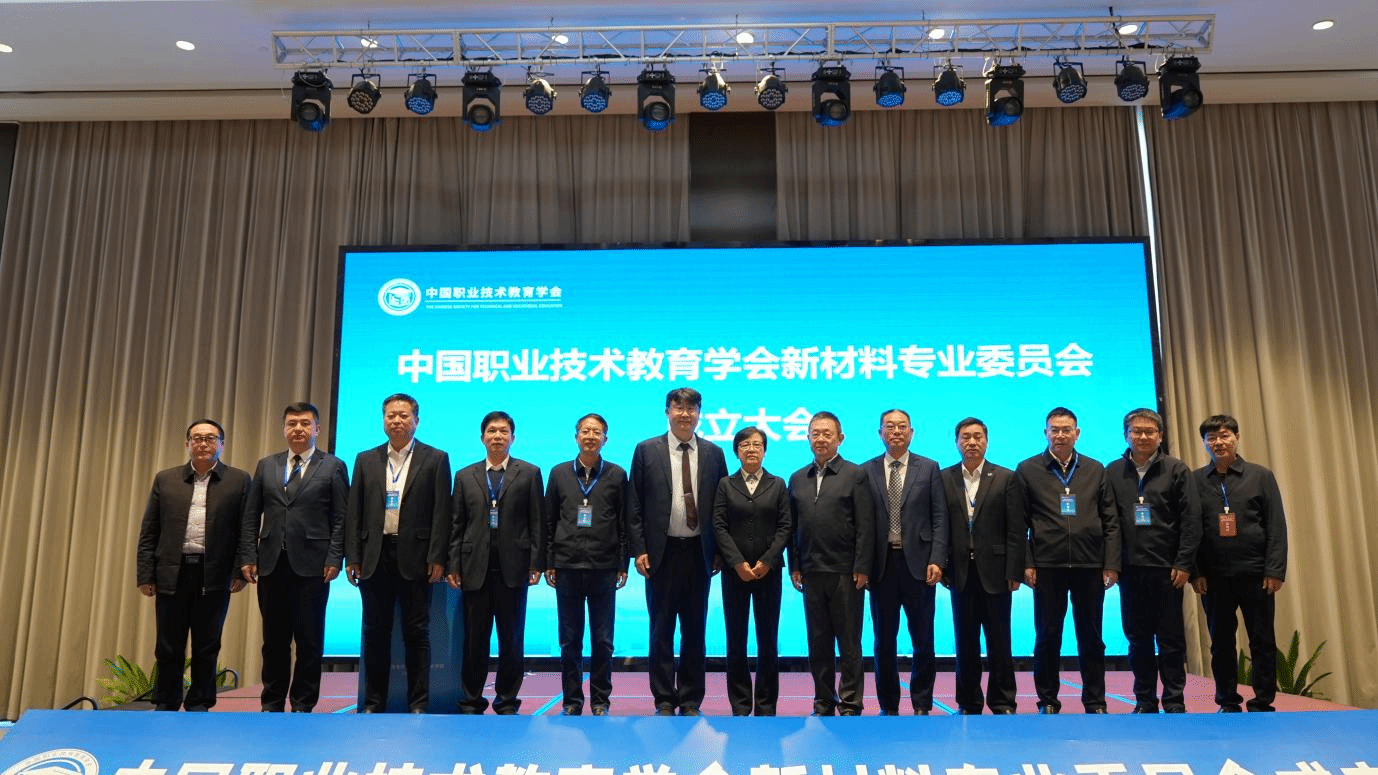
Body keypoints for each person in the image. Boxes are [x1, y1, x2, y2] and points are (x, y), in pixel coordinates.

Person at [238, 401, 349, 713]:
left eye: (305, 423)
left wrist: (335, 557)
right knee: (273, 640)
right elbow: (251, 515)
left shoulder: (333, 466)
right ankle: (272, 702)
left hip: (314, 565)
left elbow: (341, 517)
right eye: (292, 423)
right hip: (271, 563)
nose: (298, 429)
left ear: (317, 429)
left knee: (309, 640)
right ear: (284, 428)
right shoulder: (267, 465)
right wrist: (248, 554)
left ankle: (303, 702)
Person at [345, 393, 452, 713]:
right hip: (374, 555)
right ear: (383, 420)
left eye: (403, 416)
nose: (396, 421)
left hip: (417, 558)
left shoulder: (436, 458)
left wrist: (437, 557)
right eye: (391, 415)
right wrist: (353, 556)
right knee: (374, 631)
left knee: (416, 631)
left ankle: (418, 702)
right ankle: (373, 701)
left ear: (416, 421)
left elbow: (442, 513)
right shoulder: (366, 459)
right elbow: (354, 511)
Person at [136, 419, 251, 711]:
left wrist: (239, 570)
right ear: (188, 444)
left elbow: (245, 530)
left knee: (207, 643)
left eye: (210, 438)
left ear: (221, 444)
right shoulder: (166, 479)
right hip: (172, 571)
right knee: (168, 644)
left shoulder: (239, 480)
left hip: (214, 572)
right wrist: (145, 574)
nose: (203, 443)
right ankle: (166, 700)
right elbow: (150, 530)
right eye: (197, 438)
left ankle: (200, 701)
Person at [628, 387, 728, 716]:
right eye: (678, 407)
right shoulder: (646, 450)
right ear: (667, 412)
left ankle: (690, 699)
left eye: (691, 408)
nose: (685, 414)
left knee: (695, 630)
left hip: (699, 553)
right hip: (661, 553)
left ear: (699, 414)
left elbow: (722, 506)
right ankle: (663, 698)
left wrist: (718, 550)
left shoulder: (714, 453)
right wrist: (639, 549)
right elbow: (635, 504)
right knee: (661, 630)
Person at [1016, 407, 1120, 714]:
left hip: (1090, 566)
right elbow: (1018, 523)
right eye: (1054, 429)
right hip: (1047, 566)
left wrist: (1111, 563)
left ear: (1077, 433)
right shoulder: (1028, 469)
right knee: (1048, 636)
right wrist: (1027, 562)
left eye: (1066, 429)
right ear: (1045, 433)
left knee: (1092, 637)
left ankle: (1095, 701)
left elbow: (1111, 520)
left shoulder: (1095, 469)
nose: (1060, 435)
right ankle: (1048, 700)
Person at [1105, 408, 1201, 714]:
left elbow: (1191, 521)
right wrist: (1112, 565)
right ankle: (1144, 699)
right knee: (1138, 640)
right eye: (1137, 431)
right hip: (1130, 570)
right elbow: (1109, 523)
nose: (1143, 436)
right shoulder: (1112, 472)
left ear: (1160, 436)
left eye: (1150, 431)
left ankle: (1174, 699)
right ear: (1126, 435)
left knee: (1171, 639)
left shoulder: (1176, 470)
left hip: (1167, 570)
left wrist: (1184, 563)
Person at [447, 411, 544, 714]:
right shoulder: (465, 476)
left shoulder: (529, 473)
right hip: (474, 569)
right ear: (482, 438)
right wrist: (453, 565)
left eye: (503, 431)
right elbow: (456, 524)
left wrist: (536, 562)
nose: (497, 436)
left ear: (513, 438)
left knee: (511, 640)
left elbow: (537, 522)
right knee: (474, 640)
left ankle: (507, 699)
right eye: (492, 431)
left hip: (514, 569)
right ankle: (471, 698)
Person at [1193, 414, 1287, 713]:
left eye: (1224, 436)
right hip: (1214, 577)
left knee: (1262, 640)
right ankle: (1227, 700)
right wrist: (1196, 572)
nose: (1218, 442)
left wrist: (1274, 569)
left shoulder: (1261, 476)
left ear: (1236, 438)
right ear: (1204, 443)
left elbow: (1276, 526)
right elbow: (1190, 530)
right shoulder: (1195, 480)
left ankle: (1262, 700)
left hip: (1256, 574)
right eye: (1211, 438)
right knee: (1221, 642)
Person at [862, 409, 948, 715]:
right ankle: (888, 705)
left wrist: (937, 558)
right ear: (880, 433)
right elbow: (862, 523)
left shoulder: (929, 468)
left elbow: (940, 518)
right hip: (882, 566)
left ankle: (922, 702)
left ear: (912, 432)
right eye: (890, 426)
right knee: (883, 641)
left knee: (923, 639)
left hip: (920, 566)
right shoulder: (866, 470)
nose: (896, 431)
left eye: (902, 427)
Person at [788, 411, 874, 716]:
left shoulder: (855, 474)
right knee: (818, 642)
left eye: (827, 433)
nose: (821, 438)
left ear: (840, 438)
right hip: (811, 571)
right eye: (815, 433)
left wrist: (862, 566)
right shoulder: (797, 478)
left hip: (846, 572)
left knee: (849, 643)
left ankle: (850, 702)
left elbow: (866, 525)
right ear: (807, 438)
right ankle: (823, 700)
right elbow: (792, 526)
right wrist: (794, 564)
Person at [543, 413, 629, 716]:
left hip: (603, 568)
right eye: (585, 431)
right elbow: (549, 520)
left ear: (605, 439)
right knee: (570, 640)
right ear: (576, 436)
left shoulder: (617, 475)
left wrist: (622, 564)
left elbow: (623, 523)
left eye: (597, 432)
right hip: (566, 567)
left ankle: (601, 701)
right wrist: (549, 561)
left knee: (603, 641)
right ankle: (572, 701)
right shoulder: (559, 473)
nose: (590, 436)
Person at [940, 417, 1024, 715]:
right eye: (966, 437)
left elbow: (1016, 528)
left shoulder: (1005, 477)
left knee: (1000, 641)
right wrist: (942, 565)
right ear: (956, 442)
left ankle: (1003, 701)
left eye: (977, 437)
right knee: (965, 642)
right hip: (960, 572)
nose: (972, 442)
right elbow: (940, 526)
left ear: (986, 441)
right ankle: (968, 701)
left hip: (997, 572)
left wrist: (1015, 570)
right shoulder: (944, 478)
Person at [712, 426, 791, 716]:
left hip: (769, 572)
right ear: (737, 451)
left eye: (757, 444)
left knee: (768, 639)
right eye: (745, 445)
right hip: (735, 573)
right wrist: (737, 562)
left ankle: (767, 704)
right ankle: (741, 703)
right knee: (736, 638)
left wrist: (768, 560)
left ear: (765, 450)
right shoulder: (725, 484)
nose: (751, 449)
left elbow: (785, 526)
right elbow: (719, 525)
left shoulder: (778, 484)